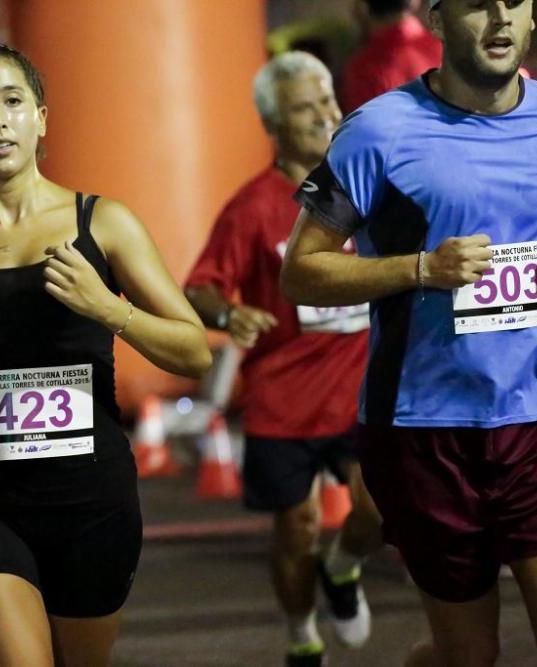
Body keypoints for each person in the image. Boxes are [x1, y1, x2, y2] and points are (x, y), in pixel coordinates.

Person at [0, 42, 211, 666]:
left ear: (41, 117)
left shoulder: (104, 223)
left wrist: (111, 309)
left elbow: (194, 353)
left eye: (12, 102)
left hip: (90, 497)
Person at [282, 1, 537, 665]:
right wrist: (422, 268)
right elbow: (301, 272)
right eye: (476, 4)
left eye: (513, 2)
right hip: (425, 432)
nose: (498, 18)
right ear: (435, 21)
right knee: (468, 656)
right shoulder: (378, 132)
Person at [185, 51, 383, 667]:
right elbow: (201, 287)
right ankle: (302, 638)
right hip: (284, 399)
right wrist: (228, 315)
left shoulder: (373, 180)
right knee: (295, 530)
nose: (326, 114)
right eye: (305, 108)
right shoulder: (253, 207)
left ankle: (344, 571)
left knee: (382, 506)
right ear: (273, 126)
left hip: (363, 387)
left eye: (328, 97)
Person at [343, 0, 442, 112]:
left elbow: (362, 126)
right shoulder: (447, 48)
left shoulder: (361, 68)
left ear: (362, 8)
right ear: (415, 2)